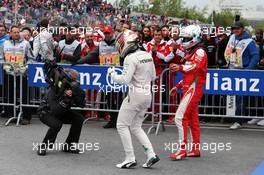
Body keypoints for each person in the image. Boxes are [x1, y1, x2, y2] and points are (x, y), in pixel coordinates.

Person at [108, 30, 159, 169]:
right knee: (136, 127)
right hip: (147, 94)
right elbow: (154, 76)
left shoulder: (130, 58)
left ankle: (130, 158)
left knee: (121, 125)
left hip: (135, 95)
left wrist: (112, 73)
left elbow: (124, 80)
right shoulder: (148, 55)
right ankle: (151, 154)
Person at [169, 25, 208, 160]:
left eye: (186, 38)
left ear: (194, 38)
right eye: (183, 38)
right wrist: (178, 86)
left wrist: (179, 67)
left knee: (179, 117)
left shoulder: (200, 52)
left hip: (194, 88)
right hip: (190, 87)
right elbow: (190, 74)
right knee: (193, 120)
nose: (184, 40)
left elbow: (194, 67)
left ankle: (182, 150)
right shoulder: (192, 51)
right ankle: (195, 149)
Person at [76, 25, 122, 129]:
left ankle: (121, 121)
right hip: (106, 76)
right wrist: (78, 61)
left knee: (119, 99)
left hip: (118, 75)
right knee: (108, 98)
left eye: (108, 33)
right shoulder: (101, 45)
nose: (107, 35)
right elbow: (91, 56)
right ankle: (113, 120)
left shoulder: (119, 43)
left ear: (112, 33)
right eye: (105, 33)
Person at [37, 69, 84, 156]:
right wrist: (66, 99)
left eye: (77, 80)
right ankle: (43, 146)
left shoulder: (72, 89)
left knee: (79, 119)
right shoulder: (55, 88)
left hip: (61, 111)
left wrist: (77, 95)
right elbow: (55, 111)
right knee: (56, 124)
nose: (76, 82)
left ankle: (69, 146)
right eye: (74, 80)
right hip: (46, 112)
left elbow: (82, 105)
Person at [224, 22, 259, 129]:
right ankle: (232, 118)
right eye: (233, 28)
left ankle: (238, 121)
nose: (235, 30)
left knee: (240, 97)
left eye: (237, 28)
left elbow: (255, 56)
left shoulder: (249, 41)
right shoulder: (232, 38)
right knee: (231, 95)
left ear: (243, 29)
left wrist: (248, 70)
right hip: (231, 70)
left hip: (242, 72)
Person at [2, 25, 34, 124]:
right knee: (9, 94)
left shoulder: (26, 44)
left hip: (22, 73)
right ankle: (11, 115)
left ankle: (26, 116)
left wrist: (26, 68)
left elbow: (31, 59)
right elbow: (1, 57)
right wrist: (4, 65)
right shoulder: (5, 44)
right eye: (14, 32)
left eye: (17, 32)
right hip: (9, 73)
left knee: (24, 95)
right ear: (10, 33)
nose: (16, 34)